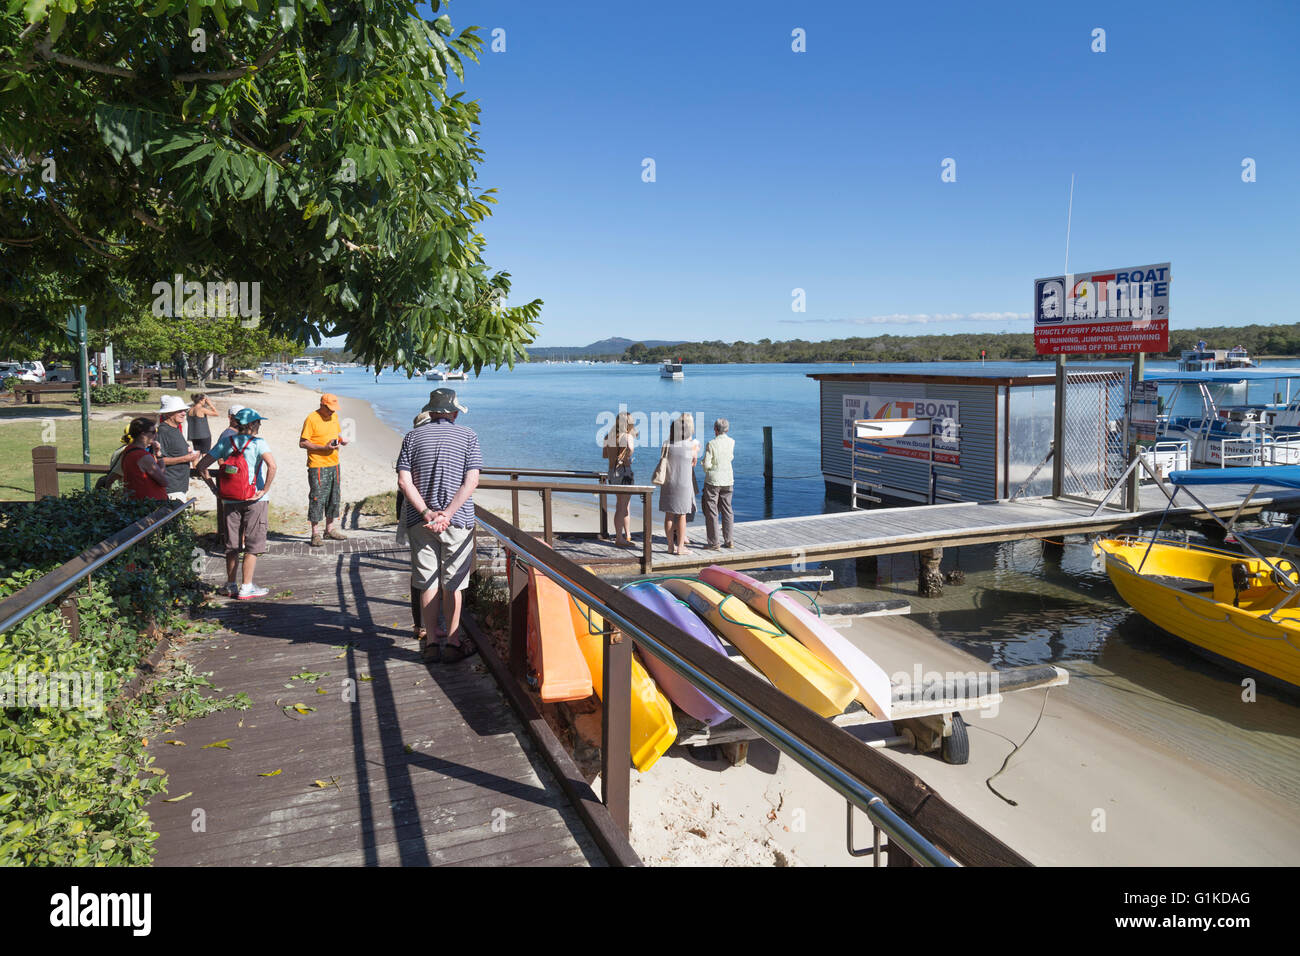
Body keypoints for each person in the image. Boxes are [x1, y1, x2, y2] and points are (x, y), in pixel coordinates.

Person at [397, 389, 481, 663]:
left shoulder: (411, 437)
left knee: (427, 581)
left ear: (431, 411)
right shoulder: (469, 436)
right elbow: (471, 482)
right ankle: (454, 643)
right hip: (457, 521)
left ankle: (432, 642)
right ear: (454, 412)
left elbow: (404, 482)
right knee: (454, 583)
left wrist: (427, 513)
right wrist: (447, 513)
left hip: (420, 522)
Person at [196, 408, 277, 600]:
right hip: (254, 499)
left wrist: (214, 489)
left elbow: (201, 466)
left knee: (232, 543)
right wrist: (264, 489)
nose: (259, 425)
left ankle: (231, 585)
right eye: (257, 422)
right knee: (253, 543)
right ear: (251, 425)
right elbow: (272, 466)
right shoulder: (258, 443)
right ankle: (247, 586)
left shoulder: (225, 442)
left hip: (229, 499)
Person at [299, 393, 348, 546]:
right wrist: (323, 447)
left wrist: (341, 440)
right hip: (317, 464)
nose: (332, 411)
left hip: (334, 463)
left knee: (334, 497)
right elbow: (302, 443)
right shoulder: (312, 418)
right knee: (317, 498)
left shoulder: (334, 417)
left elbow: (336, 434)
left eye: (334, 409)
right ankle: (315, 534)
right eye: (329, 409)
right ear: (322, 405)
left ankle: (329, 529)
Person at [658, 413, 699, 555]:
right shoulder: (691, 446)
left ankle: (670, 546)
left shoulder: (667, 444)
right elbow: (693, 464)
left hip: (668, 482)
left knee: (669, 516)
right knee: (681, 516)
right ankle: (681, 547)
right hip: (683, 484)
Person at [602, 410, 637, 546]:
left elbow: (605, 455)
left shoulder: (608, 436)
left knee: (622, 505)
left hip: (612, 472)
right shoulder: (627, 437)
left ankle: (627, 534)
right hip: (624, 472)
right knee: (623, 506)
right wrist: (627, 459)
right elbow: (630, 449)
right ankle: (619, 538)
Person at [156, 395, 201, 501]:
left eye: (184, 410)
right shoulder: (163, 431)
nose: (184, 413)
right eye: (179, 411)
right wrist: (186, 458)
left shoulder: (175, 428)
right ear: (168, 413)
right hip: (171, 488)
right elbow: (159, 460)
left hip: (180, 485)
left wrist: (188, 451)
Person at [702, 418, 736, 549]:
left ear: (715, 429)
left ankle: (714, 542)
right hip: (728, 479)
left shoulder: (711, 444)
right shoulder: (732, 442)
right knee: (727, 509)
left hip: (713, 480)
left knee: (712, 511)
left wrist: (705, 468)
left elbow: (707, 464)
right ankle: (729, 540)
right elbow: (731, 457)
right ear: (727, 430)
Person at [118, 417, 169, 502]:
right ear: (143, 434)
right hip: (151, 504)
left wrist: (158, 453)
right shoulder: (143, 456)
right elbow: (164, 481)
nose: (156, 435)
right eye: (153, 432)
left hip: (136, 501)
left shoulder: (128, 450)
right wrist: (159, 455)